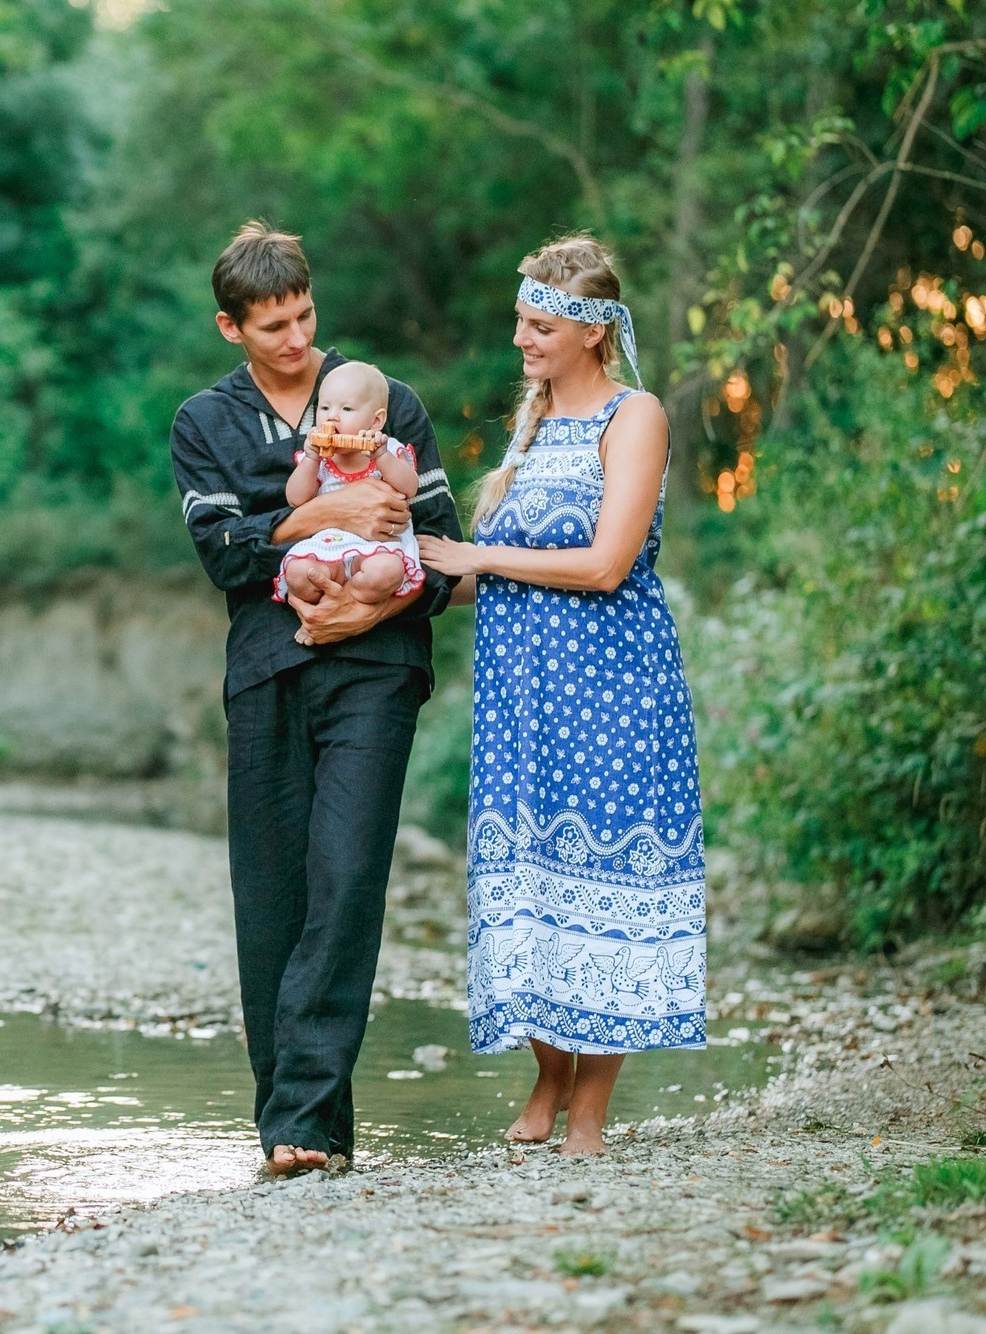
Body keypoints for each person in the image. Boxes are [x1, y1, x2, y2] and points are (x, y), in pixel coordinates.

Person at [170, 221, 462, 1177]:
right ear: (230, 328)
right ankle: (296, 1128)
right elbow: (223, 555)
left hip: (378, 671)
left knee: (344, 883)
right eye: (272, 328)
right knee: (272, 899)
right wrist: (319, 515)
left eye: (304, 319)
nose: (296, 343)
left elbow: (445, 548)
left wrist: (371, 603)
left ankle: (305, 1124)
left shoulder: (388, 400)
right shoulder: (203, 424)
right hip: (266, 670)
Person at [418, 234, 707, 1156]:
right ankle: (546, 1079)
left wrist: (479, 554)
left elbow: (605, 562)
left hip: (614, 690)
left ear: (591, 332)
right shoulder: (532, 425)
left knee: (606, 880)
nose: (521, 341)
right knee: (533, 883)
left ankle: (590, 1108)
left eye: (539, 326)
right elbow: (489, 575)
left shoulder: (637, 415)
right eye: (520, 321)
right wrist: (397, 569)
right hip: (522, 700)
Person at [277, 359, 426, 619]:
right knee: (298, 573)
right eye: (324, 408)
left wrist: (381, 456)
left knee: (386, 572)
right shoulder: (319, 459)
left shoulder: (388, 451)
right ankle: (327, 597)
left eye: (346, 408)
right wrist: (311, 460)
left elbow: (410, 487)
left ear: (376, 420)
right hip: (328, 548)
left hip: (377, 549)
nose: (331, 416)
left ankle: (350, 602)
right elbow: (295, 499)